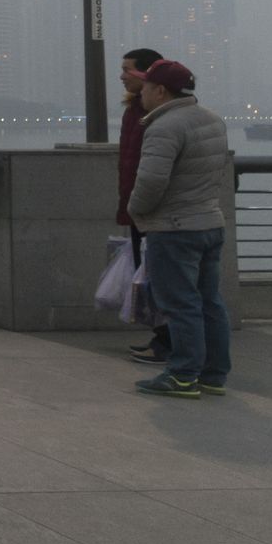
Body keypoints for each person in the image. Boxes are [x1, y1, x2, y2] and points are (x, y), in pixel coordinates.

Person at [127, 59, 231, 399]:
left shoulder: (164, 126)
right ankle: (213, 375)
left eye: (145, 87)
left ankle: (183, 374)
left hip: (174, 229)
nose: (140, 92)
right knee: (209, 303)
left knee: (180, 304)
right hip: (209, 223)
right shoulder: (213, 120)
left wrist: (135, 210)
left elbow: (151, 181)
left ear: (160, 91)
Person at [118, 49, 171, 365]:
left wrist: (139, 206)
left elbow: (152, 168)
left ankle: (168, 344)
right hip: (137, 208)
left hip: (152, 212)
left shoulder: (158, 116)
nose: (122, 75)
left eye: (127, 70)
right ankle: (161, 339)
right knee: (149, 277)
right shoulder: (133, 111)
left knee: (162, 280)